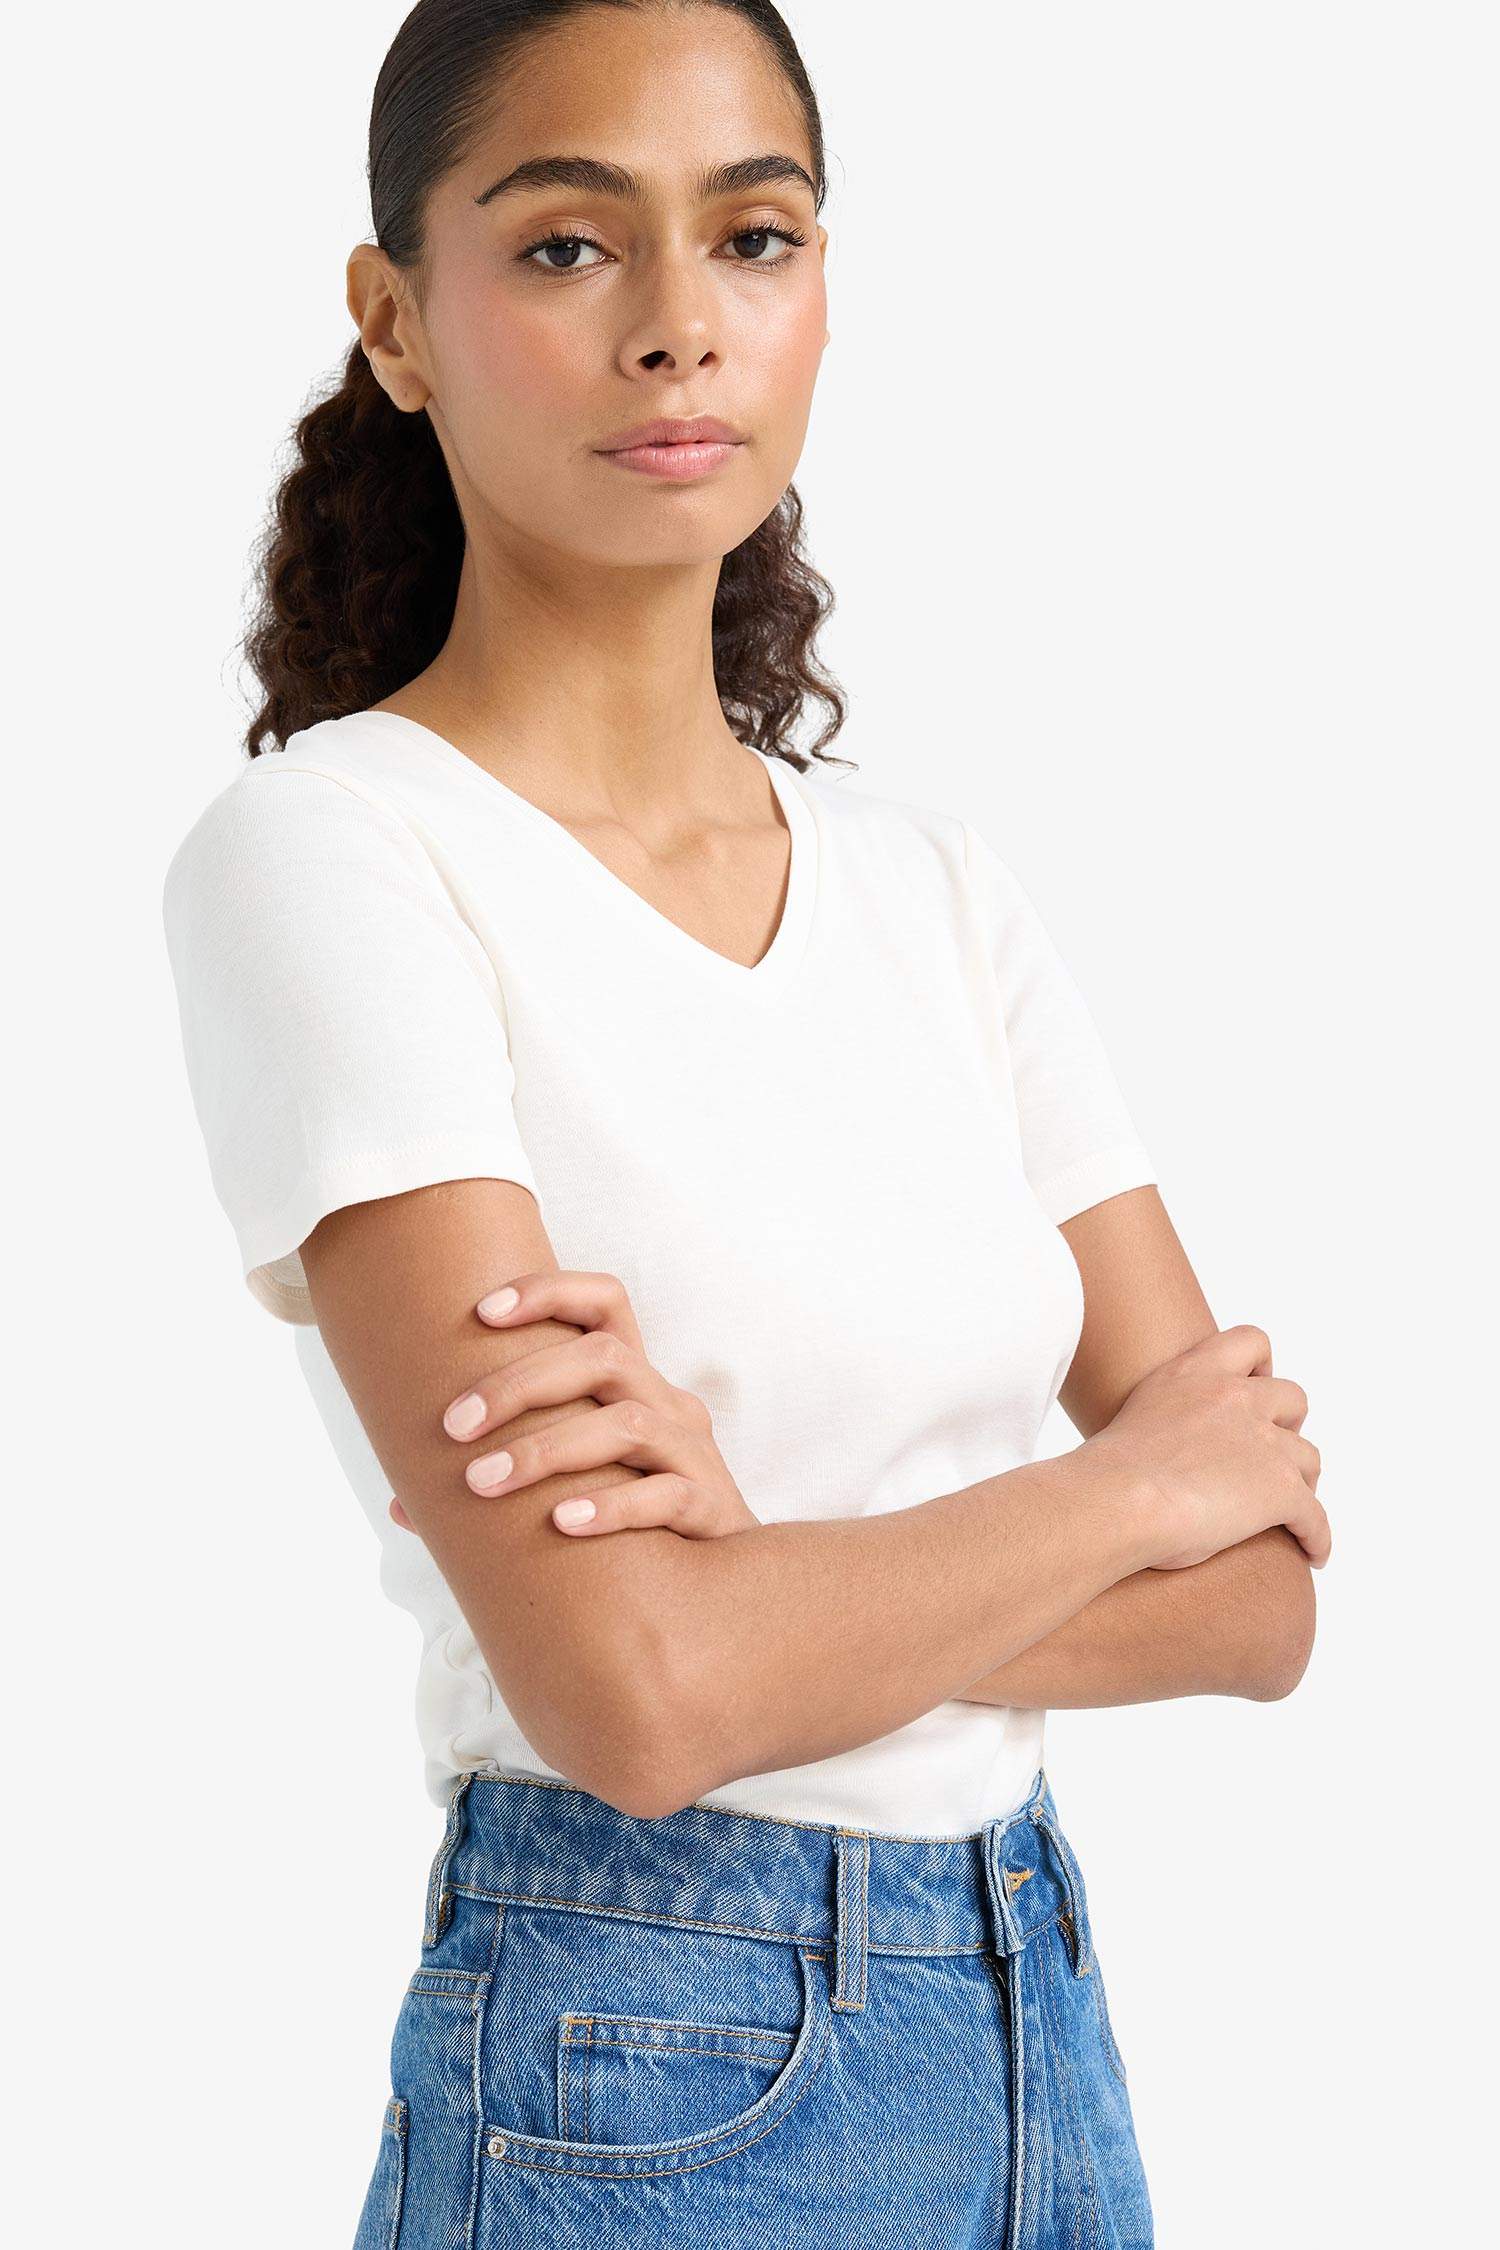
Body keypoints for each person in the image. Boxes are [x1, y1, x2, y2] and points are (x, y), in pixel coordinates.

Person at [159, 4, 1331, 2244]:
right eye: (567, 246)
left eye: (756, 236)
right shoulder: (336, 857)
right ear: (395, 321)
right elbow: (632, 1692)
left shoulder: (932, 888)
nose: (680, 324)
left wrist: (762, 1573)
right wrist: (1124, 1493)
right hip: (651, 2054)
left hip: (1038, 2018)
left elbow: (1266, 1597)